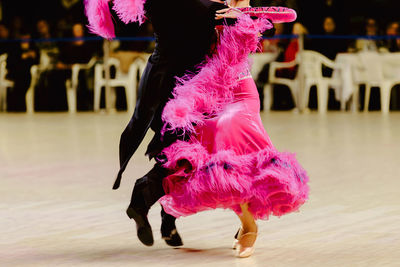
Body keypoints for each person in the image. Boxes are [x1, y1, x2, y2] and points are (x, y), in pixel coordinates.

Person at [158, 2, 308, 258]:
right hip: (214, 91)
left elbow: (289, 14)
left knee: (227, 129)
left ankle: (249, 226)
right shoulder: (207, 10)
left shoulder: (246, 12)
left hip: (242, 92)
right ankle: (245, 220)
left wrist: (243, 14)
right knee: (214, 141)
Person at [85, 0, 233, 247]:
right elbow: (203, 11)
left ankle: (167, 220)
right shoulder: (192, 7)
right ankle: (141, 203)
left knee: (177, 155)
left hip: (166, 80)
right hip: (177, 87)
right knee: (181, 155)